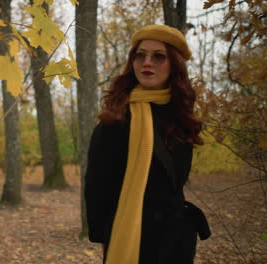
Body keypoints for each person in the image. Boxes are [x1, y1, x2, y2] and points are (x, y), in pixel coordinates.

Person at [84, 24, 211, 264]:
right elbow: (96, 187)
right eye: (140, 55)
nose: (147, 62)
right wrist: (107, 240)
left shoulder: (181, 117)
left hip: (177, 241)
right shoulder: (117, 120)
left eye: (158, 56)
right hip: (134, 239)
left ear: (174, 65)